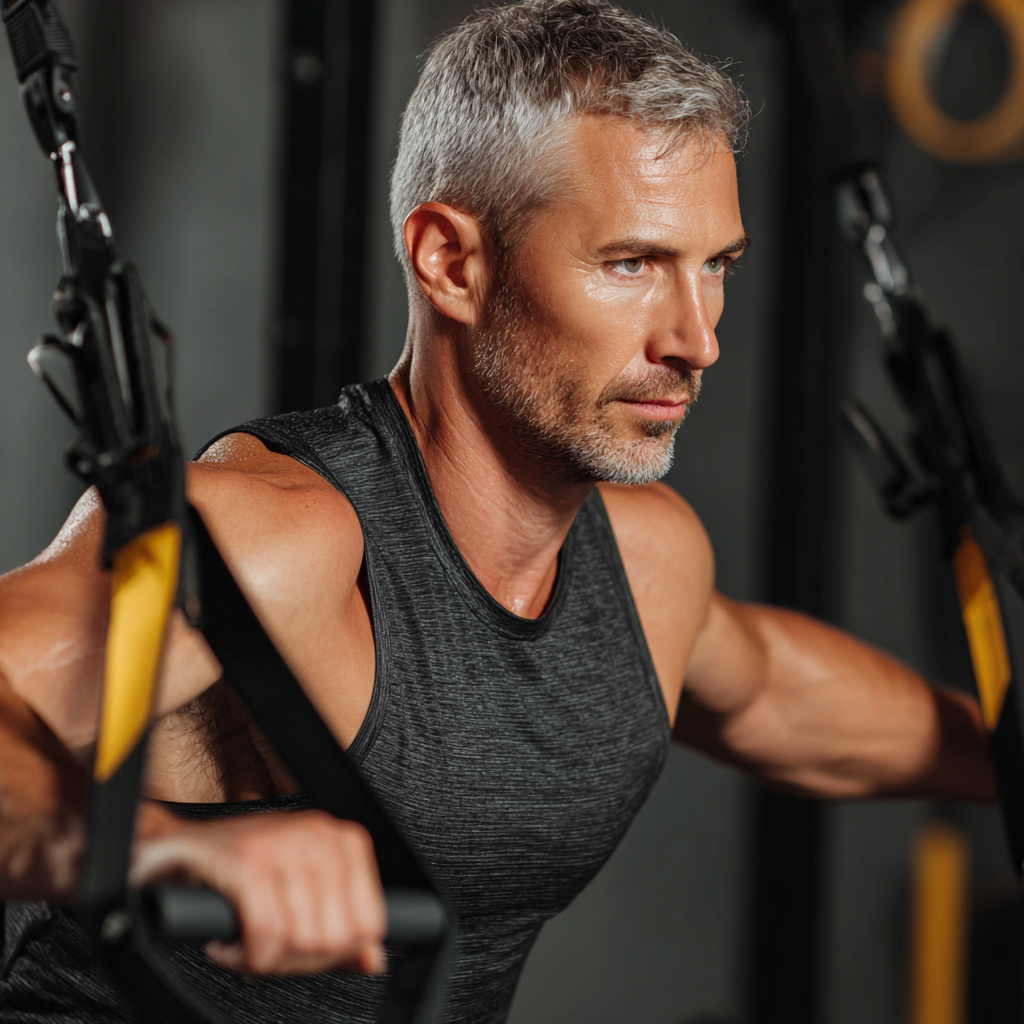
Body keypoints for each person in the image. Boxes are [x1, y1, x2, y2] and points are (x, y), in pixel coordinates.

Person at [0, 1, 994, 1021]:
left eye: (716, 267)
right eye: (632, 263)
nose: (697, 341)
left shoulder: (648, 566)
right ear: (451, 262)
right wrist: (147, 846)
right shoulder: (275, 542)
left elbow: (771, 695)